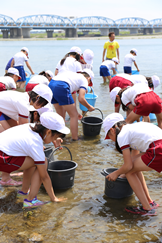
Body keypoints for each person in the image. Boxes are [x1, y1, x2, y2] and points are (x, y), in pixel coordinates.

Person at [0, 112, 70, 208]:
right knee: (43, 162)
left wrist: (55, 138)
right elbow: (44, 176)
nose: (53, 140)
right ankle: (31, 200)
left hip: (4, 152)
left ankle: (24, 191)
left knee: (34, 159)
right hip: (3, 158)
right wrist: (54, 198)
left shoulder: (33, 127)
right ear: (49, 132)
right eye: (54, 137)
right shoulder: (35, 142)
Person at [103, 112, 162, 216]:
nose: (111, 140)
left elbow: (128, 166)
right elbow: (133, 161)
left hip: (157, 151)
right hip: (157, 147)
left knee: (129, 171)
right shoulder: (132, 128)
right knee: (133, 168)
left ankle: (147, 209)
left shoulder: (122, 135)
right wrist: (122, 172)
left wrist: (116, 173)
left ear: (112, 130)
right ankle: (149, 202)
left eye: (109, 136)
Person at [0, 84, 53, 186]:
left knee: (13, 140)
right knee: (8, 140)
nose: (42, 107)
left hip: (3, 112)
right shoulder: (23, 104)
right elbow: (24, 130)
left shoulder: (25, 98)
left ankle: (7, 175)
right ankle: (8, 174)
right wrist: (37, 145)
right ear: (37, 98)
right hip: (1, 112)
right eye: (43, 104)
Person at [49, 70, 95, 140]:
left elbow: (68, 104)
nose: (87, 85)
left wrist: (76, 112)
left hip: (51, 84)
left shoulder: (73, 76)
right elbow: (81, 99)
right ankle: (75, 138)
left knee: (60, 117)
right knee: (73, 116)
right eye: (89, 83)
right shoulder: (84, 80)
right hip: (62, 85)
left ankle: (59, 137)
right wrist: (89, 107)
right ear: (89, 78)